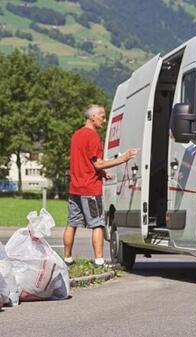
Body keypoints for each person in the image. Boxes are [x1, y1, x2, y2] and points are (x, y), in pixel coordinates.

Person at [64, 104, 137, 266]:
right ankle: (99, 260)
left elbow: (84, 162)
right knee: (97, 223)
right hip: (89, 188)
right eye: (102, 116)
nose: (104, 120)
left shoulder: (76, 135)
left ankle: (67, 258)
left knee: (72, 223)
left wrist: (103, 174)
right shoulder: (93, 137)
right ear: (92, 117)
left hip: (75, 188)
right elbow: (97, 164)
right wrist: (122, 159)